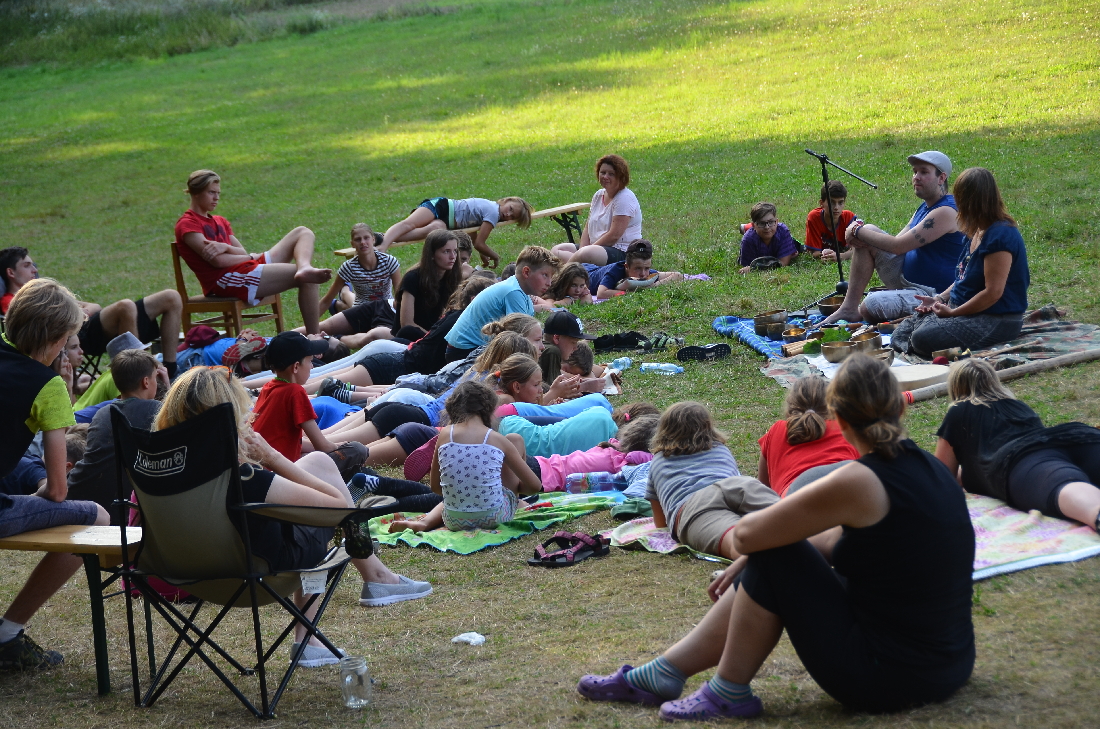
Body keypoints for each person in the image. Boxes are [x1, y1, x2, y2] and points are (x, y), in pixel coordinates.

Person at [577, 355, 975, 720]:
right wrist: (759, 554)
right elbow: (840, 541)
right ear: (901, 407)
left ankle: (722, 690)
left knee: (773, 550)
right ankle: (665, 672)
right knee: (773, 551)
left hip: (886, 677)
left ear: (838, 417)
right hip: (947, 665)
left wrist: (759, 551)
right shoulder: (932, 469)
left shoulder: (859, 480)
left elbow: (748, 535)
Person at [155, 369, 431, 647]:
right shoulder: (243, 478)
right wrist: (272, 457)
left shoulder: (157, 472)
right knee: (318, 514)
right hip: (252, 574)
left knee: (319, 463)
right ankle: (309, 639)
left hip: (182, 571)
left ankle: (376, 575)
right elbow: (338, 508)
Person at [0, 279, 109, 670]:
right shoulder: (46, 385)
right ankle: (7, 635)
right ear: (55, 340)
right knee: (96, 517)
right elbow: (59, 491)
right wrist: (38, 493)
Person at [935, 359, 1100, 531]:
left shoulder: (959, 411)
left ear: (955, 386)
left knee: (1065, 482)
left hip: (1024, 457)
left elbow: (941, 476)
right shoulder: (1018, 406)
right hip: (1076, 436)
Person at [891, 167, 1031, 358]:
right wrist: (939, 299)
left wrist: (952, 314)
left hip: (994, 318)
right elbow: (963, 278)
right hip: (961, 309)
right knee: (901, 332)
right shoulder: (975, 230)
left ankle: (922, 342)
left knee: (921, 338)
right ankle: (923, 338)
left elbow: (993, 293)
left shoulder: (1001, 237)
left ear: (971, 201)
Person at [174, 169, 332, 334]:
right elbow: (218, 261)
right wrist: (248, 257)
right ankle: (314, 337)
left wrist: (227, 248)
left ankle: (304, 267)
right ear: (196, 193)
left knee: (303, 232)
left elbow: (240, 251)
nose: (216, 197)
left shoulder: (220, 221)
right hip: (227, 279)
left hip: (246, 267)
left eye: (218, 193)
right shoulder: (188, 224)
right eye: (211, 192)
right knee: (307, 279)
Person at [821, 151, 966, 324]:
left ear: (941, 178)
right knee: (870, 231)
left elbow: (898, 246)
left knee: (870, 305)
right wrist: (860, 230)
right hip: (906, 276)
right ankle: (849, 308)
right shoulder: (926, 206)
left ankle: (893, 305)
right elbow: (893, 243)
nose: (916, 177)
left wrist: (855, 230)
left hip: (930, 294)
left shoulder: (946, 211)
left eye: (924, 172)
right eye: (915, 172)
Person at [0, 246, 184, 379]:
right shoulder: (13, 301)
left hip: (85, 323)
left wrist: (78, 311)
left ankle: (170, 368)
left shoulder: (44, 291)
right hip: (74, 335)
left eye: (33, 265)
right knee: (125, 306)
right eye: (27, 265)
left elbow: (94, 306)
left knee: (171, 297)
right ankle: (138, 375)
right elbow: (36, 324)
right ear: (11, 272)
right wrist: (76, 313)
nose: (35, 270)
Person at [387, 380, 542, 534]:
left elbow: (436, 487)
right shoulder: (497, 439)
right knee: (515, 439)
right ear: (489, 409)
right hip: (494, 517)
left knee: (461, 495)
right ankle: (514, 501)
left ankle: (425, 522)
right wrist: (512, 490)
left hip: (454, 520)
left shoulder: (445, 434)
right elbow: (535, 486)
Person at [644, 402, 777, 559]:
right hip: (737, 485)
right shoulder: (721, 449)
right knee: (789, 519)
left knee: (737, 543)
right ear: (708, 426)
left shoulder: (658, 461)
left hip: (694, 506)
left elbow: (661, 523)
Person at [66, 349, 167, 523]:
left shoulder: (103, 413)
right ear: (146, 382)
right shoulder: (156, 411)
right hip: (126, 503)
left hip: (85, 491)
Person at [251, 332, 366, 479]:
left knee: (314, 454)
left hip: (263, 470)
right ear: (296, 367)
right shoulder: (295, 392)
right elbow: (322, 447)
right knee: (357, 450)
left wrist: (334, 444)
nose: (312, 366)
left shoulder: (269, 387)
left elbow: (290, 441)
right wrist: (339, 447)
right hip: (280, 474)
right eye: (310, 361)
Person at [444, 246, 559, 362]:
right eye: (545, 275)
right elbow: (522, 339)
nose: (549, 283)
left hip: (466, 348)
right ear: (526, 272)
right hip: (464, 351)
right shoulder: (513, 292)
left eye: (551, 277)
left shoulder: (520, 290)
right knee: (541, 354)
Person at [756, 377, 860, 498]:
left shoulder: (777, 430)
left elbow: (763, 491)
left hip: (794, 499)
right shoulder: (847, 429)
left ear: (790, 407)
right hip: (842, 491)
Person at [378, 195, 533, 269]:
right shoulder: (493, 212)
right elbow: (480, 243)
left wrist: (482, 253)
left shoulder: (491, 211)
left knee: (430, 231)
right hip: (442, 207)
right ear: (505, 201)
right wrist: (495, 257)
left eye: (513, 216)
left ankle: (385, 238)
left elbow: (472, 232)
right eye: (510, 209)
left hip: (446, 222)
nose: (508, 214)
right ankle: (383, 246)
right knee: (409, 224)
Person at [552, 154, 642, 265]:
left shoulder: (624, 198)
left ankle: (569, 270)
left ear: (620, 176)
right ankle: (580, 265)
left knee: (586, 254)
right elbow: (588, 227)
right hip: (595, 248)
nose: (605, 176)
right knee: (556, 250)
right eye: (603, 172)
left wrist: (587, 251)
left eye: (611, 174)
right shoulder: (598, 195)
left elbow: (614, 236)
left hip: (622, 251)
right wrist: (582, 250)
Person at [314, 223, 401, 337]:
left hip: (385, 308)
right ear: (352, 244)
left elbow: (400, 295)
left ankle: (344, 293)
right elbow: (327, 300)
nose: (363, 242)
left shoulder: (389, 262)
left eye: (366, 238)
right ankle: (344, 291)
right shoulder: (348, 268)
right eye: (358, 239)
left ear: (373, 240)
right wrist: (310, 325)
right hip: (361, 309)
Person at [584, 239, 683, 300]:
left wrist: (651, 286)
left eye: (647, 268)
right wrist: (630, 293)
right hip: (583, 271)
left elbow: (677, 275)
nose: (643, 274)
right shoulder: (615, 271)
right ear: (626, 266)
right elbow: (601, 294)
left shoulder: (646, 274)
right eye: (638, 269)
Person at [538, 310, 597, 386]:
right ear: (557, 338)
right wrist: (584, 386)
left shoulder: (547, 349)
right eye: (573, 342)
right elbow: (554, 391)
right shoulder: (552, 351)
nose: (575, 348)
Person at [737, 202, 798, 274]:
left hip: (783, 238)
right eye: (762, 223)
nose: (767, 227)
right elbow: (746, 265)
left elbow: (783, 263)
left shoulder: (783, 231)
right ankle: (746, 228)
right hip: (753, 234)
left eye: (771, 222)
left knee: (797, 247)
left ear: (777, 222)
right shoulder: (748, 239)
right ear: (754, 225)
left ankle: (746, 227)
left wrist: (757, 268)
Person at [805, 181, 856, 262]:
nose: (836, 207)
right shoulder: (814, 218)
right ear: (821, 203)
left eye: (840, 202)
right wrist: (826, 256)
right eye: (831, 202)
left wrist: (840, 256)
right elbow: (814, 253)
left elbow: (857, 249)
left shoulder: (848, 218)